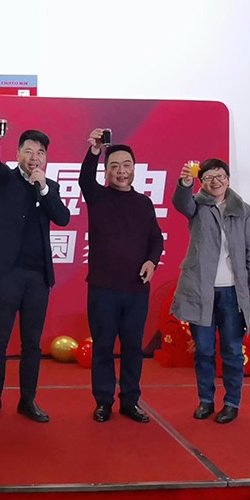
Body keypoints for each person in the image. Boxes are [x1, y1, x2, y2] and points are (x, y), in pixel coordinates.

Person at [0, 120, 71, 423]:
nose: (34, 157)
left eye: (40, 152)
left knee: (32, 341)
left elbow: (63, 218)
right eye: (28, 151)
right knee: (0, 337)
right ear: (17, 153)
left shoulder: (49, 186)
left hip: (38, 276)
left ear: (46, 158)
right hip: (6, 271)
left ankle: (27, 400)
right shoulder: (4, 178)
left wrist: (43, 187)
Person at [170, 158, 250, 425]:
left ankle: (232, 402)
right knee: (204, 350)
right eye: (209, 177)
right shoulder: (197, 205)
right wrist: (185, 182)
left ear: (228, 179)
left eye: (220, 176)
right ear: (202, 182)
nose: (216, 181)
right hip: (201, 290)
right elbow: (181, 203)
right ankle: (206, 400)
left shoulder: (242, 209)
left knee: (232, 350)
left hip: (233, 292)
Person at [79, 129, 163, 423]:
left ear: (134, 168)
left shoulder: (144, 203)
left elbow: (156, 239)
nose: (121, 171)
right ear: (106, 171)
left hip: (136, 289)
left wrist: (152, 261)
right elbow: (84, 180)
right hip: (102, 288)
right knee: (103, 347)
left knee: (132, 349)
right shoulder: (98, 197)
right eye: (114, 166)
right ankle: (103, 401)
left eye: (126, 165)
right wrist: (94, 150)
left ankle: (130, 401)